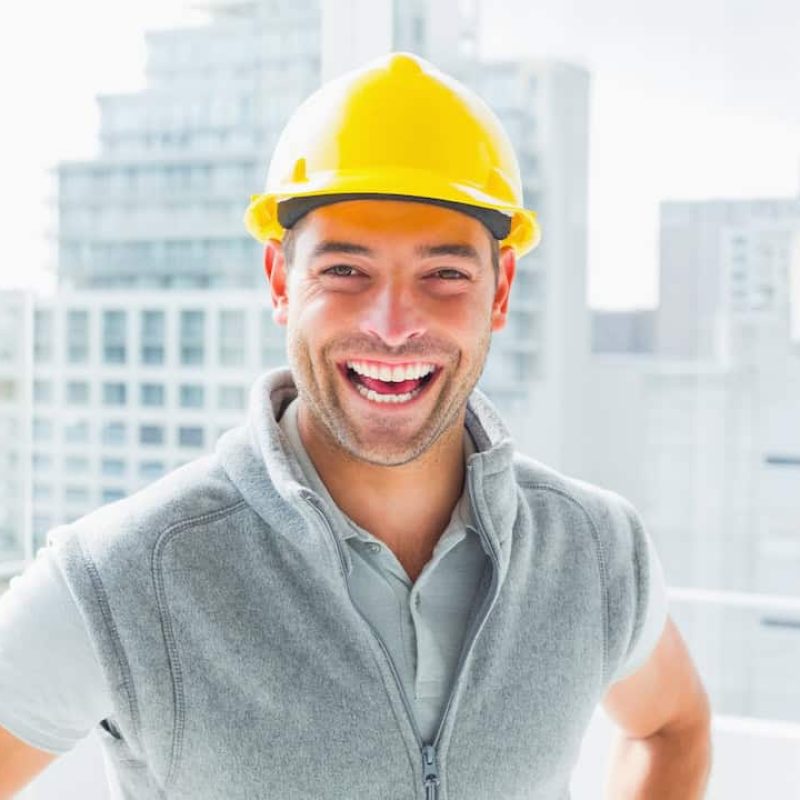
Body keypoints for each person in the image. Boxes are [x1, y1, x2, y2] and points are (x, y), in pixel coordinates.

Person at [0, 52, 711, 799]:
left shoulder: (595, 551)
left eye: (445, 274)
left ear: (500, 293)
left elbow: (670, 728)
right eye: (346, 271)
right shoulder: (126, 575)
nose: (394, 326)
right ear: (281, 282)